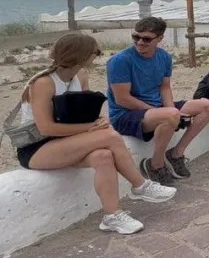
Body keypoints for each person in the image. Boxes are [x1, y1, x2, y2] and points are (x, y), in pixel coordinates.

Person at [6, 33, 176, 234]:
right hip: (38, 147)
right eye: (95, 52)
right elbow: (46, 128)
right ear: (81, 54)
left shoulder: (80, 76)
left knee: (103, 156)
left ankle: (112, 216)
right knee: (110, 136)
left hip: (69, 141)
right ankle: (141, 185)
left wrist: (98, 120)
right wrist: (90, 128)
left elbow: (83, 113)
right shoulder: (44, 83)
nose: (97, 56)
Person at [106, 16, 209, 186]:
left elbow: (165, 87)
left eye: (146, 39)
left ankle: (176, 154)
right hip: (125, 115)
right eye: (136, 37)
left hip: (155, 108)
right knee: (170, 114)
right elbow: (122, 99)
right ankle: (155, 165)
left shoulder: (164, 57)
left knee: (208, 106)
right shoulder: (120, 61)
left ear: (159, 39)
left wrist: (171, 109)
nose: (140, 42)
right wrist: (164, 112)